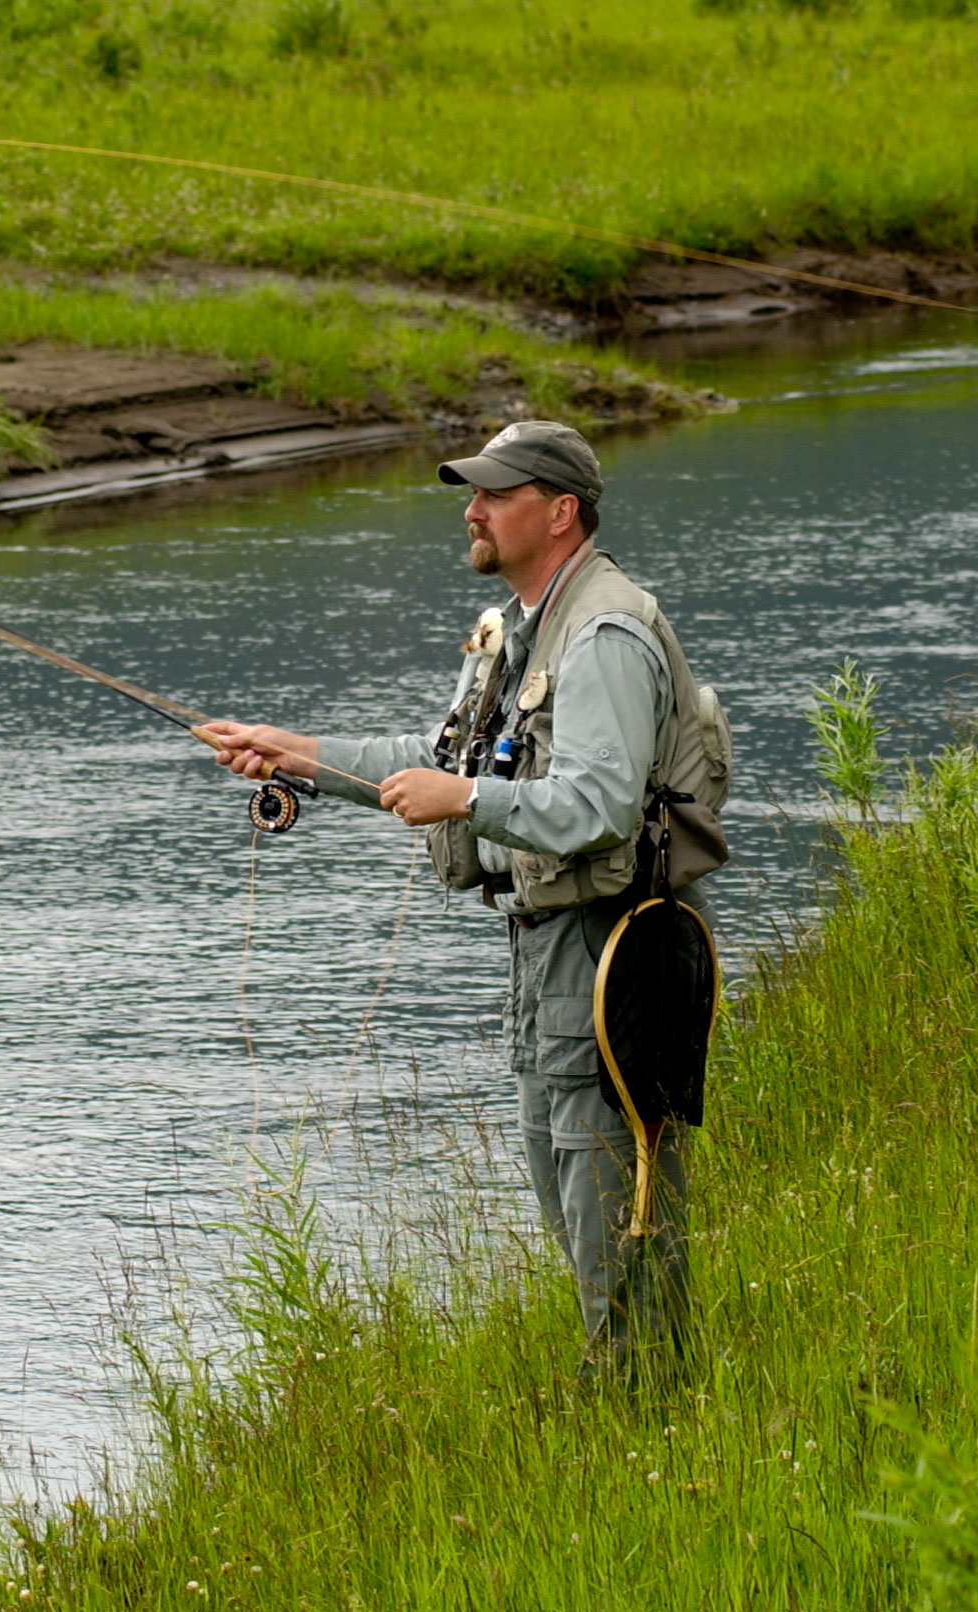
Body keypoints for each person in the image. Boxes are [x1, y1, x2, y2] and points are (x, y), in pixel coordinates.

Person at [204, 420, 726, 1380]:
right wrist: (298, 755)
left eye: (495, 493)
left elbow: (600, 808)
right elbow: (441, 762)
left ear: (560, 512)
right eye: (472, 491)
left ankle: (652, 1428)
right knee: (577, 1223)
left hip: (612, 963)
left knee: (623, 1233)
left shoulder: (604, 633)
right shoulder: (525, 630)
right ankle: (632, 1426)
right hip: (550, 957)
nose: (472, 509)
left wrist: (470, 801)